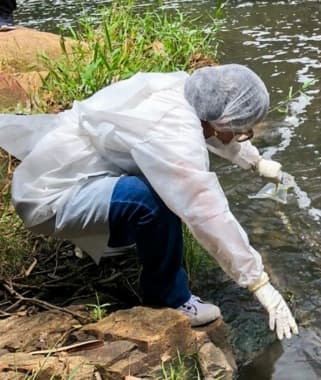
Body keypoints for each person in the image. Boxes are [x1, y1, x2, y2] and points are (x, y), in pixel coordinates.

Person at [0, 64, 299, 340]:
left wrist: (255, 162)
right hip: (53, 199)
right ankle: (170, 299)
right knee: (156, 200)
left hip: (66, 173)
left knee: (154, 188)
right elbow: (207, 212)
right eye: (243, 129)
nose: (243, 135)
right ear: (226, 120)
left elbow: (212, 129)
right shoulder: (173, 131)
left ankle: (111, 238)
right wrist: (258, 281)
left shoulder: (185, 92)